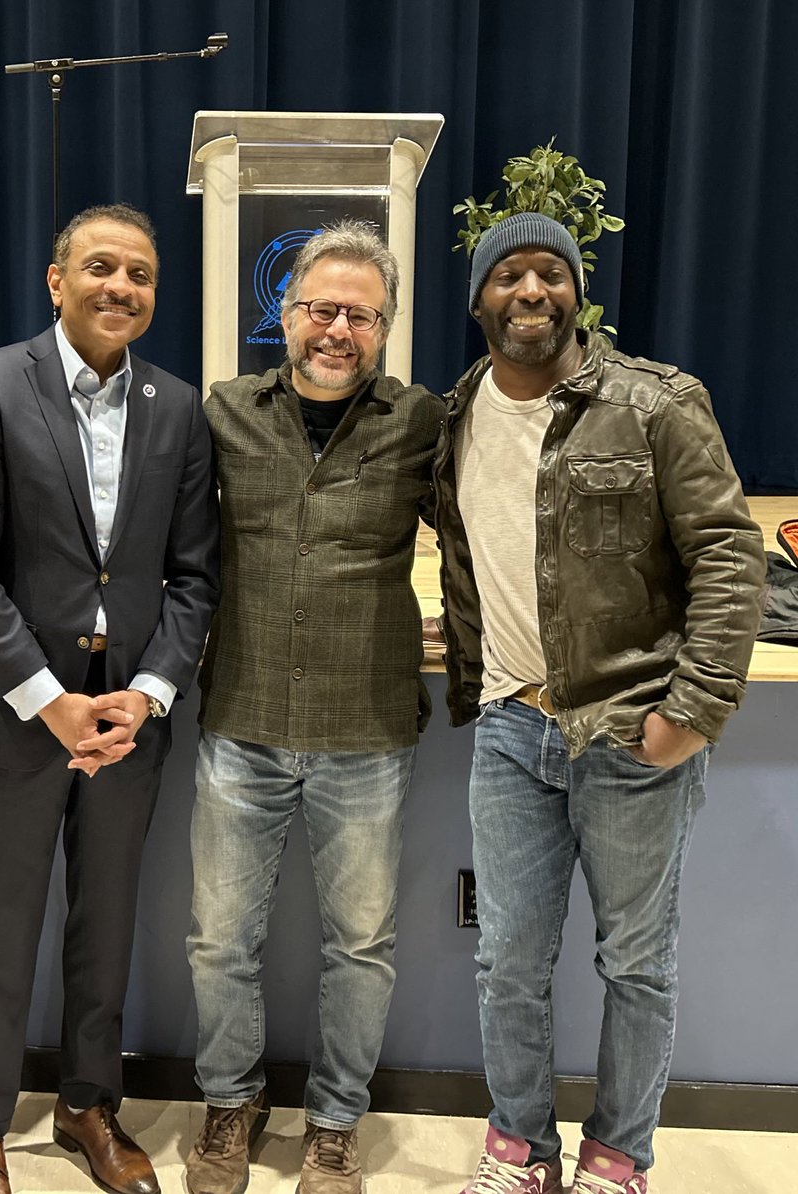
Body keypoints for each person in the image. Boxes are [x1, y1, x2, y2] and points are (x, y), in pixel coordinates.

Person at [437, 212, 766, 1194]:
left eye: (550, 274)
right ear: (479, 299)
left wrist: (695, 707)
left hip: (634, 733)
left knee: (636, 966)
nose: (530, 292)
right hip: (508, 730)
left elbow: (730, 556)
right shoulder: (455, 414)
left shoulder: (657, 403)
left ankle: (618, 1158)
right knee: (507, 965)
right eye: (509, 276)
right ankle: (520, 1150)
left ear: (576, 292)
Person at [0, 203, 221, 1194]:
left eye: (141, 275)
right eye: (102, 268)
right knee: (4, 929)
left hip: (127, 721)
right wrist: (48, 698)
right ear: (56, 281)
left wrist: (144, 697)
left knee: (108, 925)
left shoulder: (180, 409)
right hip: (18, 714)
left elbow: (193, 577)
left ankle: (88, 1107)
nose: (122, 288)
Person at [185, 220, 443, 1194]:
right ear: (283, 314)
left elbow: (478, 533)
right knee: (218, 940)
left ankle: (335, 1124)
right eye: (320, 309)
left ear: (384, 327)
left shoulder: (419, 422)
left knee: (361, 946)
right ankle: (228, 1102)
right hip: (242, 721)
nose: (338, 328)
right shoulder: (224, 414)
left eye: (360, 315)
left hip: (366, 729)